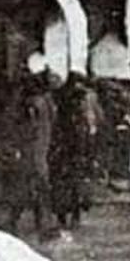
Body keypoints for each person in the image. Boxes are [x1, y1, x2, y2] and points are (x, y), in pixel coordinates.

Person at [0, 68, 60, 239]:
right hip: (41, 151)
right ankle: (43, 225)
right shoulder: (47, 102)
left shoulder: (31, 104)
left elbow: (28, 129)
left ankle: (16, 222)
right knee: (39, 190)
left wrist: (15, 144)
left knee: (24, 188)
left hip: (30, 152)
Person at [51, 71, 101, 230]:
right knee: (74, 184)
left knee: (62, 184)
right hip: (75, 151)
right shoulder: (79, 114)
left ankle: (63, 218)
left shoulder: (60, 108)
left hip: (63, 151)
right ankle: (74, 215)